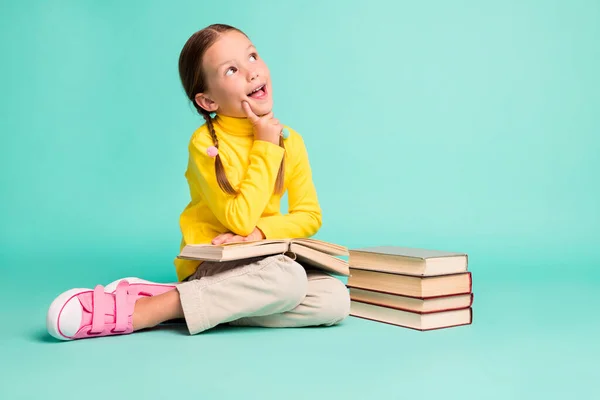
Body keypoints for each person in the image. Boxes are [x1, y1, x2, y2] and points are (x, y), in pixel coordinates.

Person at [46, 24, 350, 341]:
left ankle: (189, 303)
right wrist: (266, 146)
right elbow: (239, 220)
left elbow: (310, 216)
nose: (252, 72)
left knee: (334, 300)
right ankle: (149, 310)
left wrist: (262, 233)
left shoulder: (292, 141)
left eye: (253, 56)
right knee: (287, 280)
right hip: (214, 262)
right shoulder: (205, 143)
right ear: (208, 102)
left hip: (265, 263)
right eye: (232, 70)